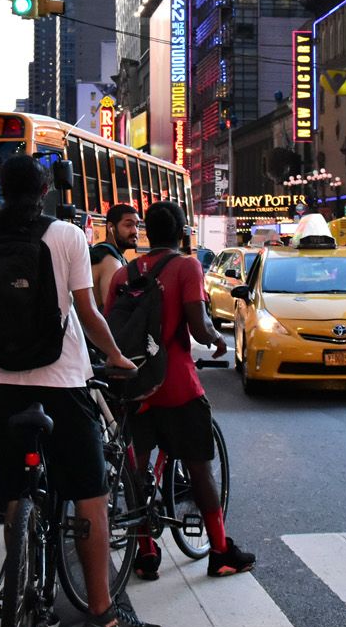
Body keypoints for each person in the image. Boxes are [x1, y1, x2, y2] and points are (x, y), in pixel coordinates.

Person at [0, 155, 158, 627]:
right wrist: (118, 358)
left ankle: (29, 601)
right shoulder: (66, 236)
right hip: (62, 385)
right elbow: (87, 313)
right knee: (90, 495)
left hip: (4, 388)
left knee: (17, 496)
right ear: (44, 192)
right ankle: (102, 616)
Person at [106, 201, 254, 580]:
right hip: (176, 388)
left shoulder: (122, 276)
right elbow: (199, 325)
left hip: (135, 388)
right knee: (200, 468)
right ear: (182, 233)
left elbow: (112, 329)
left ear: (146, 234)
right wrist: (219, 342)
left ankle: (145, 552)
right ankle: (220, 549)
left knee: (137, 472)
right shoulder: (187, 266)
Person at [89, 204, 139, 311]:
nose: (135, 231)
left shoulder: (102, 252)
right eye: (128, 225)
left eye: (137, 225)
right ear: (111, 227)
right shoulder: (111, 262)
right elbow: (114, 310)